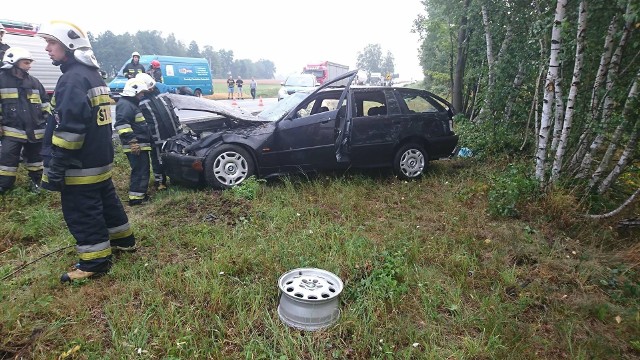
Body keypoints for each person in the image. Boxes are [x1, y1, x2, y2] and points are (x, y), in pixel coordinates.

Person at [37, 20, 136, 282]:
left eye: (52, 43)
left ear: (69, 45)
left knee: (82, 210)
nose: (47, 48)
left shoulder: (71, 80)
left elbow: (69, 130)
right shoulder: (92, 75)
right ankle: (123, 241)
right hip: (99, 160)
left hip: (79, 164)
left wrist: (57, 165)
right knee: (106, 202)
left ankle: (94, 262)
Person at [0, 47, 51, 194]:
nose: (29, 66)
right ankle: (5, 187)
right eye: (26, 62)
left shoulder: (34, 82)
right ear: (13, 62)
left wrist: (49, 124)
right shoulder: (2, 80)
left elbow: (45, 104)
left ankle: (37, 183)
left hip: (36, 131)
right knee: (7, 161)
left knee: (36, 161)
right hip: (12, 132)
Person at [136, 73, 182, 190]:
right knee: (158, 160)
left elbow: (172, 114)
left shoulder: (162, 97)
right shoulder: (140, 104)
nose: (151, 89)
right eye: (148, 87)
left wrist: (178, 128)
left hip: (172, 134)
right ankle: (160, 182)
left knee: (174, 156)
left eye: (152, 87)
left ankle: (176, 178)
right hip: (156, 137)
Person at [114, 77, 152, 206]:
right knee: (140, 171)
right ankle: (136, 199)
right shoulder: (126, 105)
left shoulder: (129, 104)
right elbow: (121, 125)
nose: (142, 95)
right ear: (133, 91)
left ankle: (140, 195)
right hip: (135, 145)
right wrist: (132, 141)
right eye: (141, 92)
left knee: (142, 170)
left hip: (139, 144)